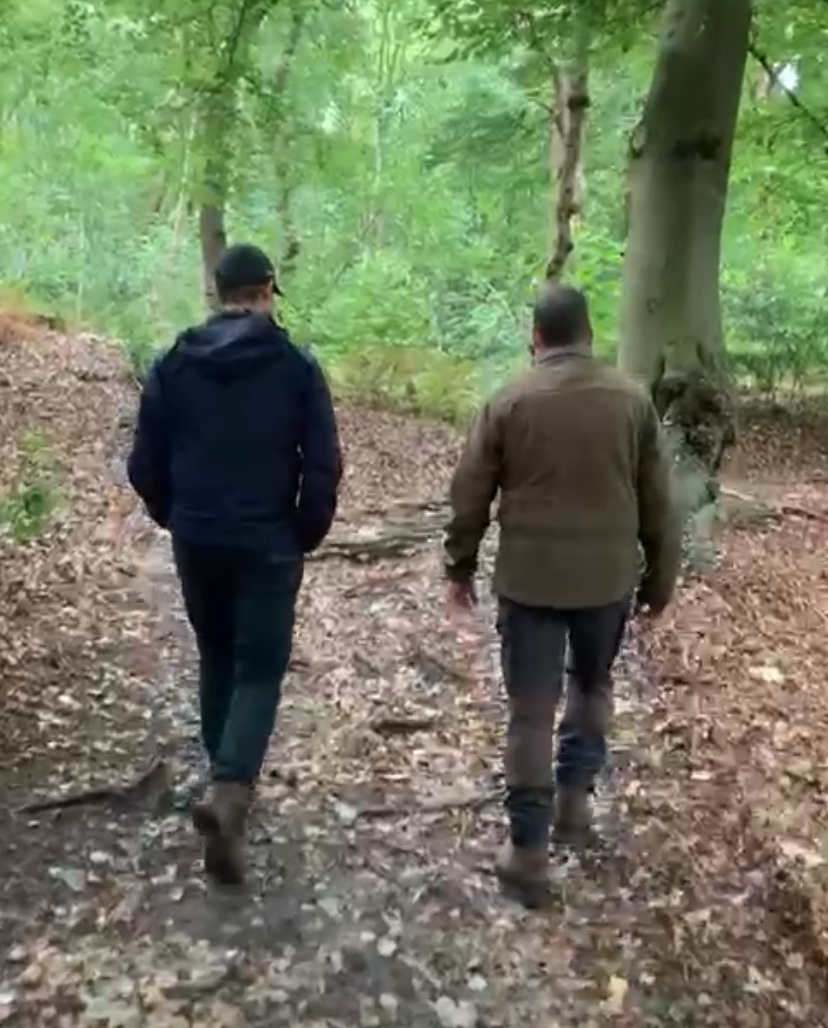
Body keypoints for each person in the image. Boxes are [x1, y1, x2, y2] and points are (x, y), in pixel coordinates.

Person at [444, 283, 680, 909]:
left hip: (529, 582)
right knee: (592, 686)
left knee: (530, 710)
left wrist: (458, 566)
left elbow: (469, 494)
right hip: (606, 581)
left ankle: (528, 850)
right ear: (589, 335)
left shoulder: (508, 401)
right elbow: (659, 501)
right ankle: (574, 805)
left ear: (536, 338)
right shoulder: (631, 401)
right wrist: (660, 580)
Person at [128, 242, 342, 886]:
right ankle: (229, 792)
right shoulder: (296, 366)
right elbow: (323, 464)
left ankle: (224, 781)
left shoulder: (174, 363)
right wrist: (303, 531)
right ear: (267, 291)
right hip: (268, 542)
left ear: (217, 293)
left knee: (217, 654)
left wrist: (175, 515)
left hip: (199, 538)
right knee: (259, 667)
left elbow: (143, 463)